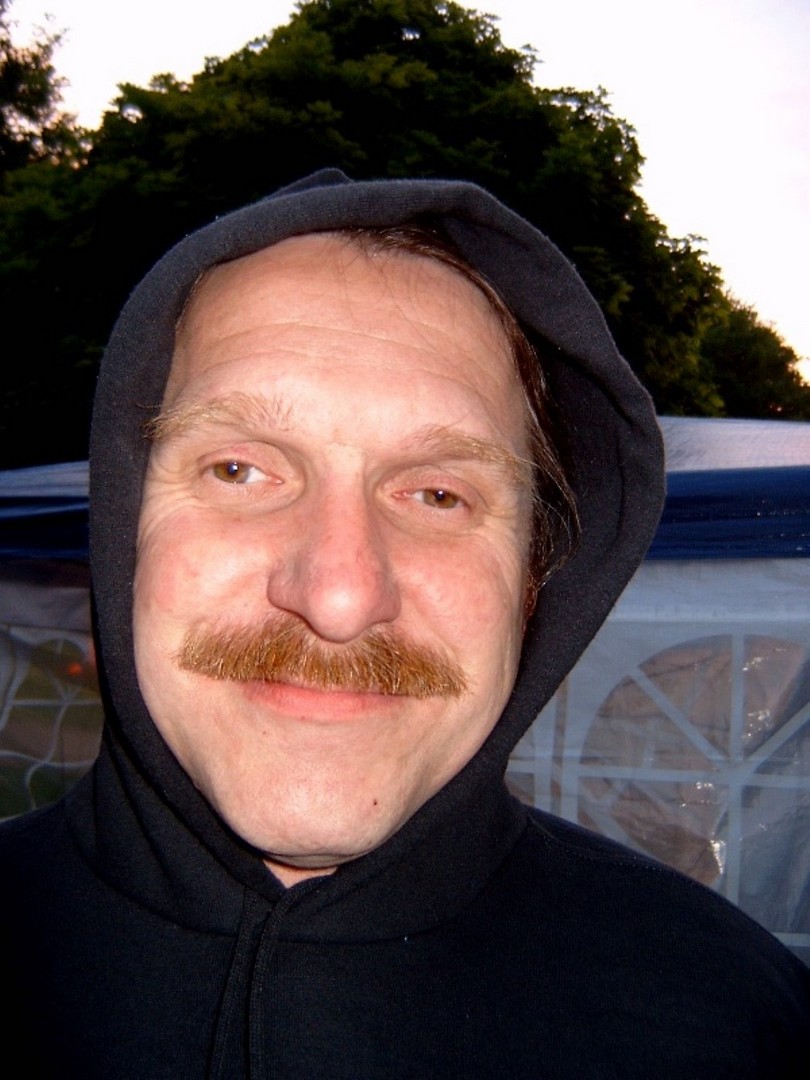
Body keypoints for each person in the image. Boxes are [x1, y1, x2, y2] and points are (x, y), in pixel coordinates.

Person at [1, 170, 807, 1077]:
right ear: (124, 527)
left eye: (437, 494)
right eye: (238, 470)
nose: (339, 599)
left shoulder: (741, 1031)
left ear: (537, 577)